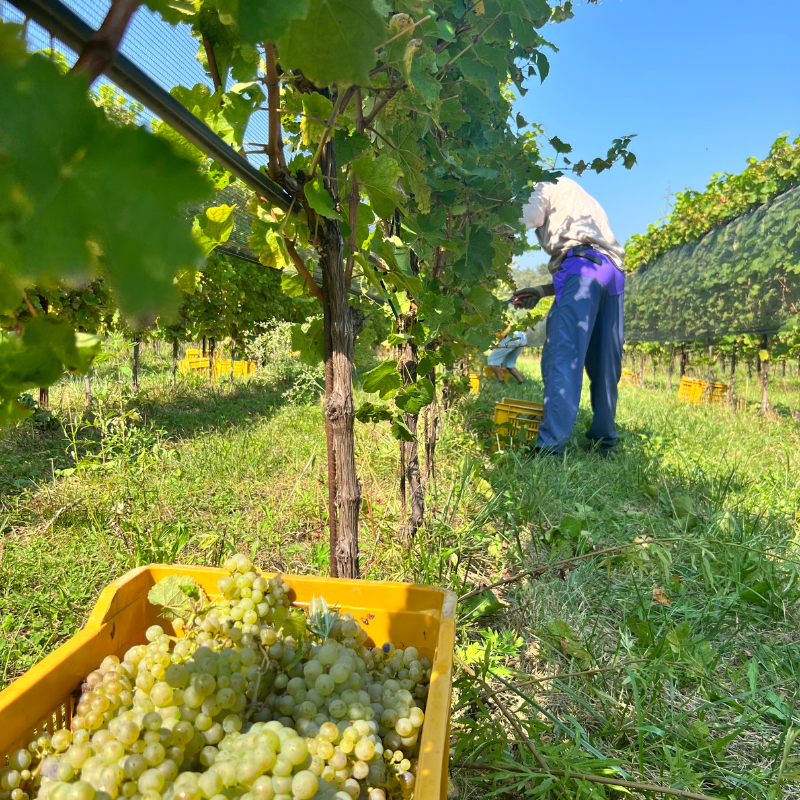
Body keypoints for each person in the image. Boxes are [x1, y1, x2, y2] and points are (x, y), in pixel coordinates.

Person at [511, 176, 625, 457]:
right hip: (613, 274)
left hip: (581, 266)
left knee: (563, 356)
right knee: (605, 362)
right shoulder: (582, 198)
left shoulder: (541, 184)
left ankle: (551, 447)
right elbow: (591, 264)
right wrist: (540, 289)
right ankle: (604, 442)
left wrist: (494, 223)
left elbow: (529, 215)